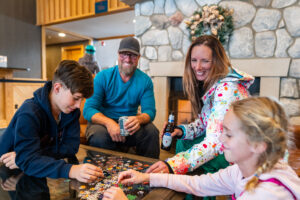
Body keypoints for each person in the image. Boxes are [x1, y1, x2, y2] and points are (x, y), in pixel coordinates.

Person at [103, 97, 300, 200]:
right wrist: (148, 177)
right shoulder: (244, 169)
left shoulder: (265, 194)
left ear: (258, 145)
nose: (221, 138)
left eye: (229, 134)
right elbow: (198, 184)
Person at [147, 35, 254, 175]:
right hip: (227, 144)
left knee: (189, 158)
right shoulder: (214, 83)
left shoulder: (227, 89)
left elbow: (215, 142)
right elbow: (205, 124)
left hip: (240, 153)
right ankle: (188, 190)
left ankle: (197, 193)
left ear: (216, 61)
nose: (197, 67)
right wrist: (182, 131)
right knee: (182, 141)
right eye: (194, 60)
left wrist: (172, 165)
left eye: (205, 61)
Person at [0, 60, 103, 183]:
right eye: (76, 98)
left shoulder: (70, 111)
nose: (78, 105)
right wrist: (71, 170)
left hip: (30, 164)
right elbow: (28, 161)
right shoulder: (29, 112)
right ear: (58, 88)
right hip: (6, 170)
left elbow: (70, 148)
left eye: (81, 100)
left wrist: (29, 157)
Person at [83, 37, 159, 159]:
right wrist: (110, 123)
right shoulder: (102, 77)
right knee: (99, 136)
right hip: (102, 124)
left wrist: (138, 120)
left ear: (138, 57)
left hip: (129, 125)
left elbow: (150, 111)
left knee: (151, 132)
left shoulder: (145, 81)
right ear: (118, 54)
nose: (128, 59)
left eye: (133, 55)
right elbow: (88, 109)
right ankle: (102, 174)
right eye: (124, 54)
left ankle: (148, 174)